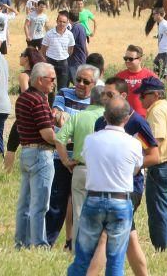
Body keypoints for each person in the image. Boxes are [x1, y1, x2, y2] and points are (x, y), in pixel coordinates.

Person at [67, 98, 143, 276]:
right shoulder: (134, 144)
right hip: (120, 201)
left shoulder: (91, 140)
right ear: (127, 118)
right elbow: (135, 169)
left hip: (93, 198)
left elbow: (88, 160)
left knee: (83, 257)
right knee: (116, 261)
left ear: (104, 116)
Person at [137, 77, 167, 253]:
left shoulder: (157, 111)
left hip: (163, 167)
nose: (140, 98)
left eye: (143, 95)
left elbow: (155, 140)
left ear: (156, 94)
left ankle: (162, 251)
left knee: (159, 213)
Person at [13, 62, 58, 248]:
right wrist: (63, 143)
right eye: (52, 79)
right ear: (40, 80)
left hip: (26, 151)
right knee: (40, 205)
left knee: (24, 204)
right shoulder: (39, 100)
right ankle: (39, 244)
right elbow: (46, 133)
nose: (54, 83)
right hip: (41, 153)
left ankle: (21, 243)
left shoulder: (23, 98)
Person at [54, 76, 105, 228]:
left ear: (90, 100)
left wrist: (65, 161)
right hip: (102, 170)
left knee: (78, 212)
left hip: (80, 168)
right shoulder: (110, 118)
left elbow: (59, 139)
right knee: (99, 213)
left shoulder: (78, 117)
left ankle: (78, 248)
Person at [116, 44, 157, 118]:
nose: (127, 61)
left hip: (144, 119)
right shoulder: (119, 76)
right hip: (123, 119)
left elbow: (158, 99)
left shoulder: (150, 77)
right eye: (125, 58)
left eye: (131, 59)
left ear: (140, 59)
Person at [40, 10, 74, 91]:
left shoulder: (70, 35)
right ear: (56, 21)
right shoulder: (49, 34)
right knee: (50, 88)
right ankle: (51, 103)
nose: (62, 24)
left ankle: (60, 103)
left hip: (63, 63)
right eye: (60, 21)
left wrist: (64, 55)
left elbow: (71, 49)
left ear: (67, 22)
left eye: (64, 22)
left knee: (62, 89)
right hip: (51, 63)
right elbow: (43, 49)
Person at [152, 8, 167, 78]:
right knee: (155, 68)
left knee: (163, 73)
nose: (152, 16)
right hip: (161, 52)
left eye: (154, 14)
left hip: (166, 52)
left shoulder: (165, 25)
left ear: (159, 14)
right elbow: (163, 35)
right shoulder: (160, 24)